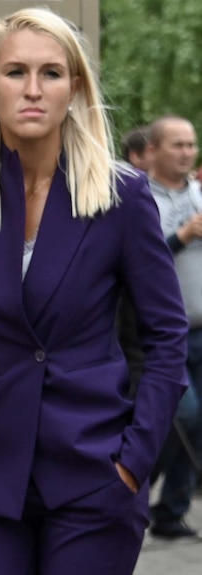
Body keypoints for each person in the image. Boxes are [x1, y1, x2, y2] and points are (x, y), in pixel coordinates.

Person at [0, 8, 188, 575]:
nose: (33, 90)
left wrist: (134, 460)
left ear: (74, 88)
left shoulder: (121, 198)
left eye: (52, 73)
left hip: (94, 475)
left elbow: (166, 337)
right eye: (15, 72)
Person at [145, 115, 202, 539]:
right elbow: (138, 264)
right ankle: (130, 493)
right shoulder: (139, 199)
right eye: (178, 145)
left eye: (191, 145)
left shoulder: (199, 193)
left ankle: (170, 513)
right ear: (153, 151)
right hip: (165, 337)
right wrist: (181, 236)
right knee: (181, 415)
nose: (187, 152)